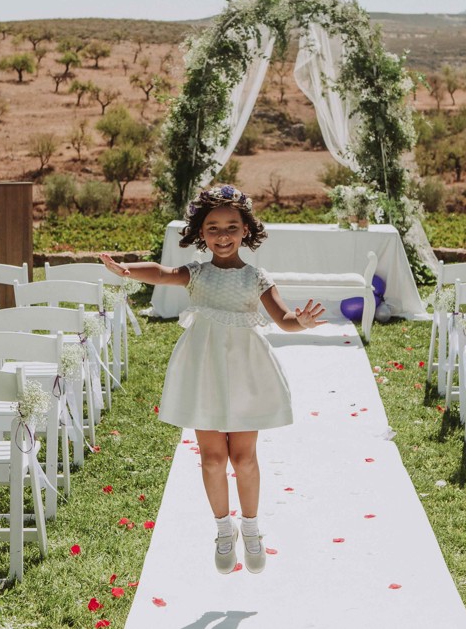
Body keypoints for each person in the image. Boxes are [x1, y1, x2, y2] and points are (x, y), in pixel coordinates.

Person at [99, 184, 325, 574]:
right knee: (212, 459)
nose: (223, 236)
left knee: (243, 457)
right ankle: (224, 528)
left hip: (245, 371)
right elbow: (164, 272)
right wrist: (127, 270)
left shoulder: (257, 277)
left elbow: (284, 319)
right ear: (200, 233)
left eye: (231, 227)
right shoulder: (197, 274)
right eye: (214, 228)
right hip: (203, 370)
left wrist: (299, 322)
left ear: (246, 231)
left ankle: (251, 527)